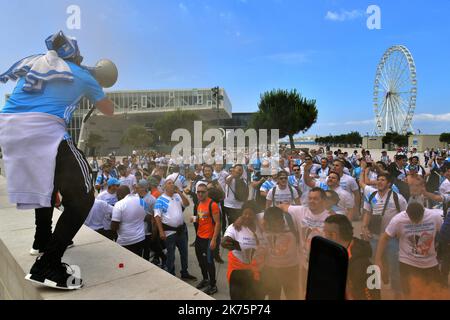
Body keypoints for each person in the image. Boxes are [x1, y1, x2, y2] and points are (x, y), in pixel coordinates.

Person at [0, 31, 115, 289]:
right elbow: (108, 110)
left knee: (48, 185)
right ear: (76, 56)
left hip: (9, 129)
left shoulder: (38, 62)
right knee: (84, 196)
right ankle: (49, 265)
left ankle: (42, 240)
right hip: (44, 129)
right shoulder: (83, 74)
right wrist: (95, 85)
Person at [359, 163, 407, 298]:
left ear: (389, 183)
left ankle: (396, 290)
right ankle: (374, 291)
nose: (379, 182)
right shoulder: (371, 195)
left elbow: (405, 216)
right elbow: (367, 212)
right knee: (374, 263)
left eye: (383, 180)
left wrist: (401, 233)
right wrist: (364, 227)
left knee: (394, 264)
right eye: (378, 179)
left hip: (392, 238)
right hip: (374, 236)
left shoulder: (398, 198)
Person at [375, 203, 443, 298]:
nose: (415, 223)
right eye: (413, 220)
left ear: (423, 213)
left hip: (430, 263)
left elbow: (444, 234)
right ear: (407, 214)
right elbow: (384, 237)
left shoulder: (435, 217)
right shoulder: (398, 220)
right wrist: (378, 260)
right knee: (410, 295)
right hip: (408, 263)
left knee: (437, 293)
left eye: (418, 219)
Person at [278, 187, 331, 297]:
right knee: (304, 292)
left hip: (324, 266)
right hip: (304, 265)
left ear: (323, 200)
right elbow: (282, 206)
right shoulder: (301, 210)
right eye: (310, 198)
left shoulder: (331, 217)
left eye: (316, 199)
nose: (312, 201)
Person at [323, 214, 380, 300]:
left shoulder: (364, 264)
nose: (324, 236)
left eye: (325, 233)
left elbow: (373, 297)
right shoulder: (334, 254)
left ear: (333, 235)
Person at [154, 179, 197, 280]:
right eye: (169, 183)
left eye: (173, 183)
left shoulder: (177, 196)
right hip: (169, 232)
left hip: (181, 230)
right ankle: (171, 273)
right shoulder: (160, 200)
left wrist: (179, 192)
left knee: (184, 253)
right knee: (171, 254)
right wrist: (161, 232)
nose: (172, 184)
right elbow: (157, 217)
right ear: (164, 187)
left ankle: (184, 272)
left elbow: (186, 204)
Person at [257, 206, 300, 300]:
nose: (274, 228)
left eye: (276, 225)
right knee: (273, 296)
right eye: (271, 225)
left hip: (291, 269)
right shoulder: (259, 218)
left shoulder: (293, 220)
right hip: (271, 269)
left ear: (282, 221)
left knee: (292, 296)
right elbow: (246, 213)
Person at [222, 201, 261, 300]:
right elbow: (226, 238)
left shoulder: (261, 226)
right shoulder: (235, 227)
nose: (247, 216)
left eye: (250, 214)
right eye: (245, 213)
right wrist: (225, 241)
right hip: (237, 272)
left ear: (255, 215)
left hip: (256, 270)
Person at [192, 183, 221, 295]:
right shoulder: (198, 203)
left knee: (209, 262)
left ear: (207, 192)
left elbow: (218, 223)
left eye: (202, 192)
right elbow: (198, 218)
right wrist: (193, 219)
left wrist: (214, 239)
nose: (200, 194)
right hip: (199, 237)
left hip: (208, 238)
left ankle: (213, 285)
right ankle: (205, 279)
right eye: (198, 192)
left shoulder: (212, 205)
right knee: (201, 261)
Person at [111, 186, 150, 257]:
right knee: (137, 260)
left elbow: (114, 226)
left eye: (117, 196)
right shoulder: (141, 201)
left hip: (125, 240)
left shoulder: (119, 204)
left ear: (119, 195)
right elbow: (147, 217)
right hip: (140, 238)